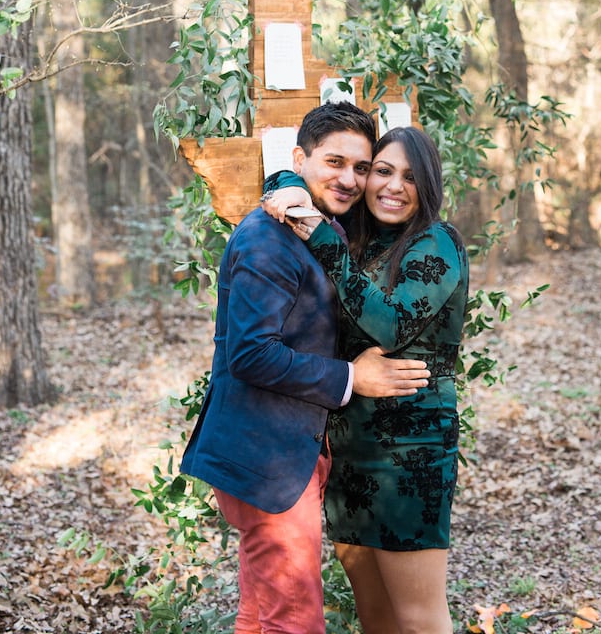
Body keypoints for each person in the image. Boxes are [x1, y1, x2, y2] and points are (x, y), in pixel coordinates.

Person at [180, 102, 430, 634]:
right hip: (268, 455)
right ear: (300, 158)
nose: (349, 179)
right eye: (334, 162)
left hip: (290, 450)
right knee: (294, 620)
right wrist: (350, 378)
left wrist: (289, 183)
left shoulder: (313, 223)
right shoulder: (266, 239)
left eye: (361, 168)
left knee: (260, 614)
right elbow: (249, 353)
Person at [262, 124, 469, 634]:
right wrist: (288, 182)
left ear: (429, 186)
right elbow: (297, 175)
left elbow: (391, 324)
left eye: (410, 176)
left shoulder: (435, 243)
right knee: (376, 619)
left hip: (410, 454)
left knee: (419, 620)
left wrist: (321, 237)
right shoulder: (356, 237)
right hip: (348, 450)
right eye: (382, 171)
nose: (393, 186)